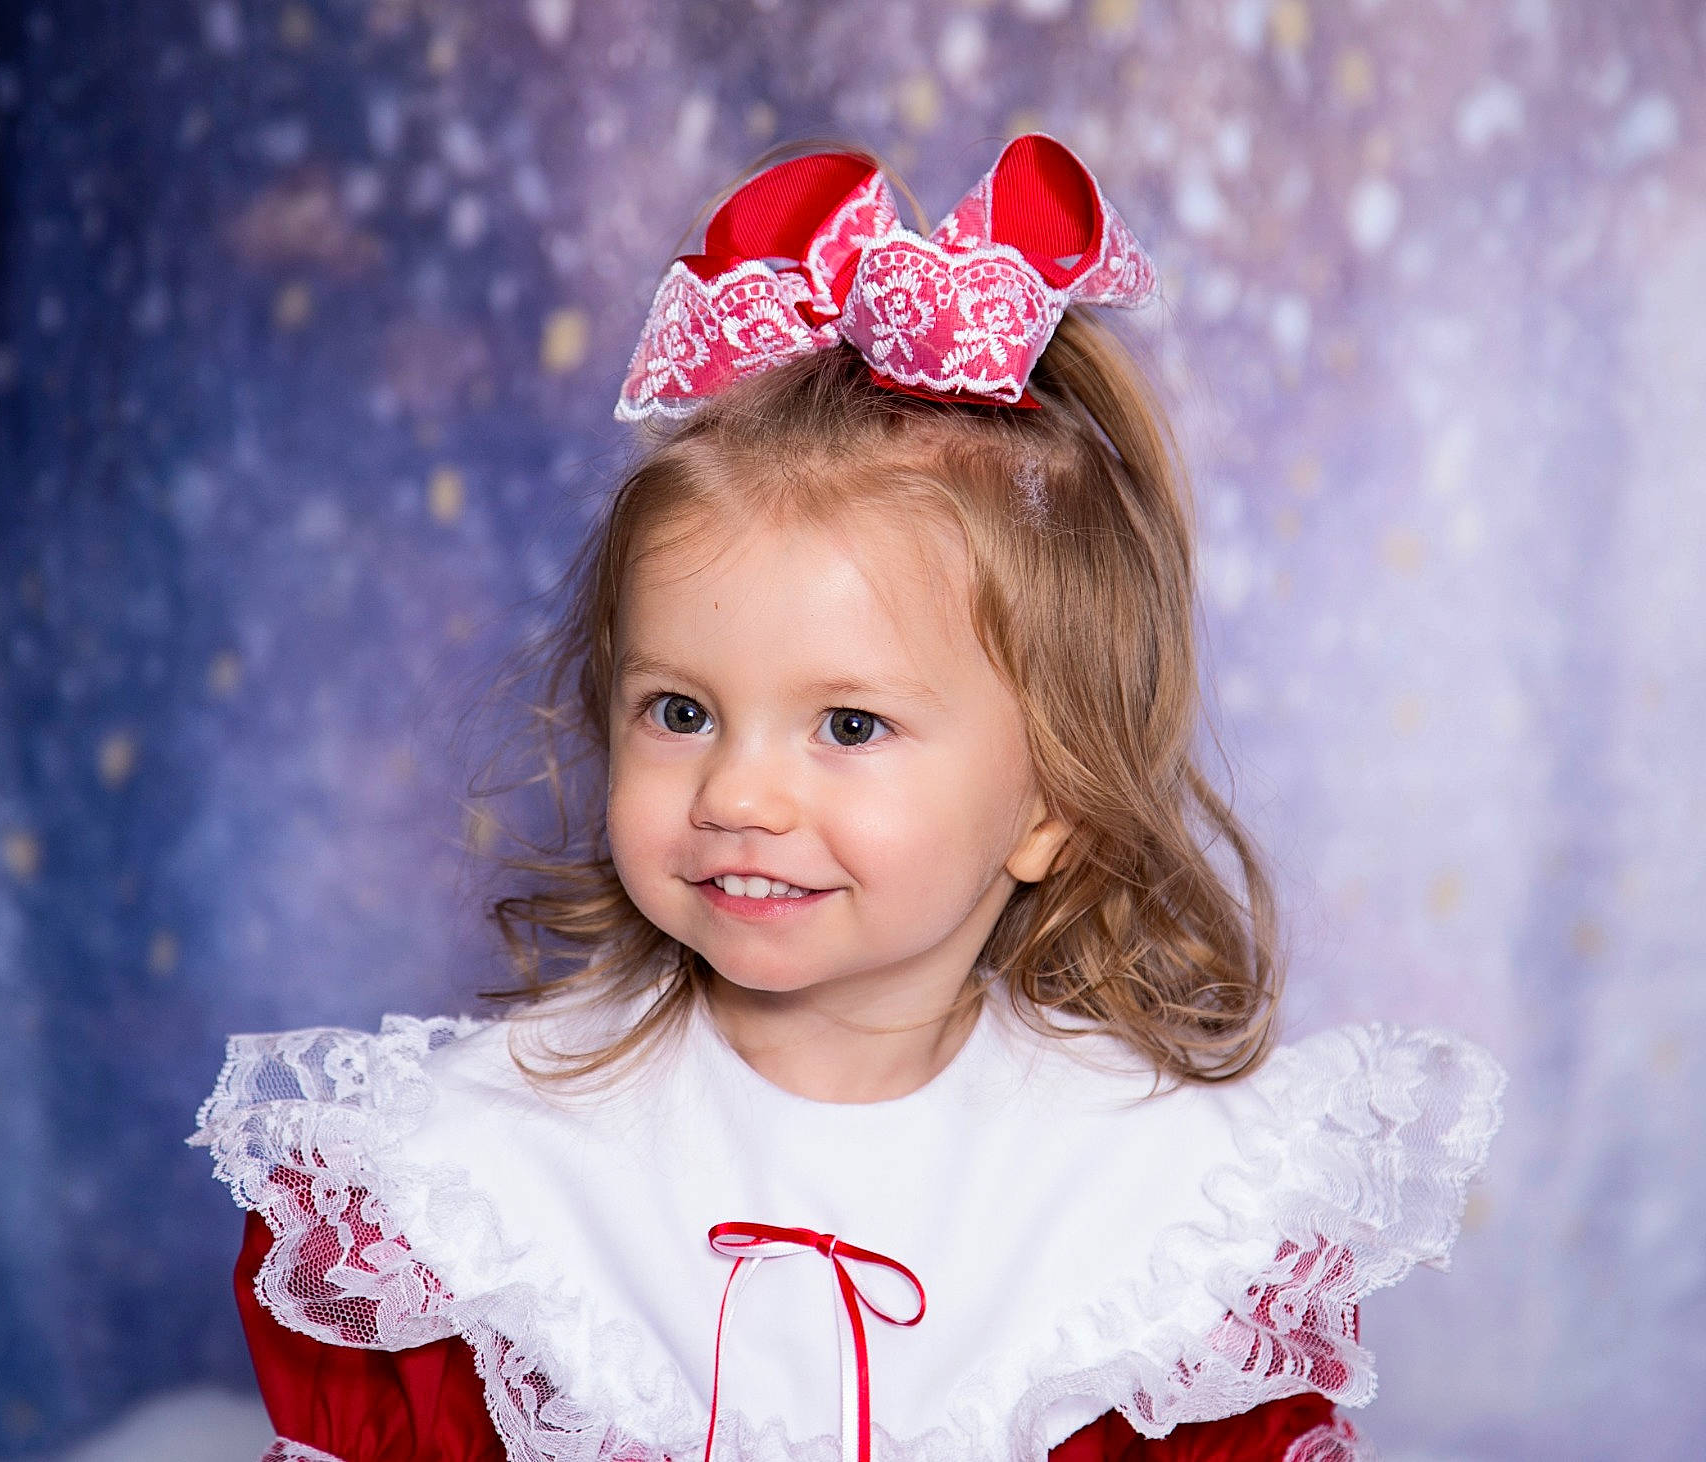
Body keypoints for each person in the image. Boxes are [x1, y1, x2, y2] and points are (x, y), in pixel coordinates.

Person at [193, 134, 1505, 1462]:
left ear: (1052, 803)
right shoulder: (475, 1188)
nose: (738, 792)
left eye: (850, 725)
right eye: (681, 712)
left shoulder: (1169, 1205)